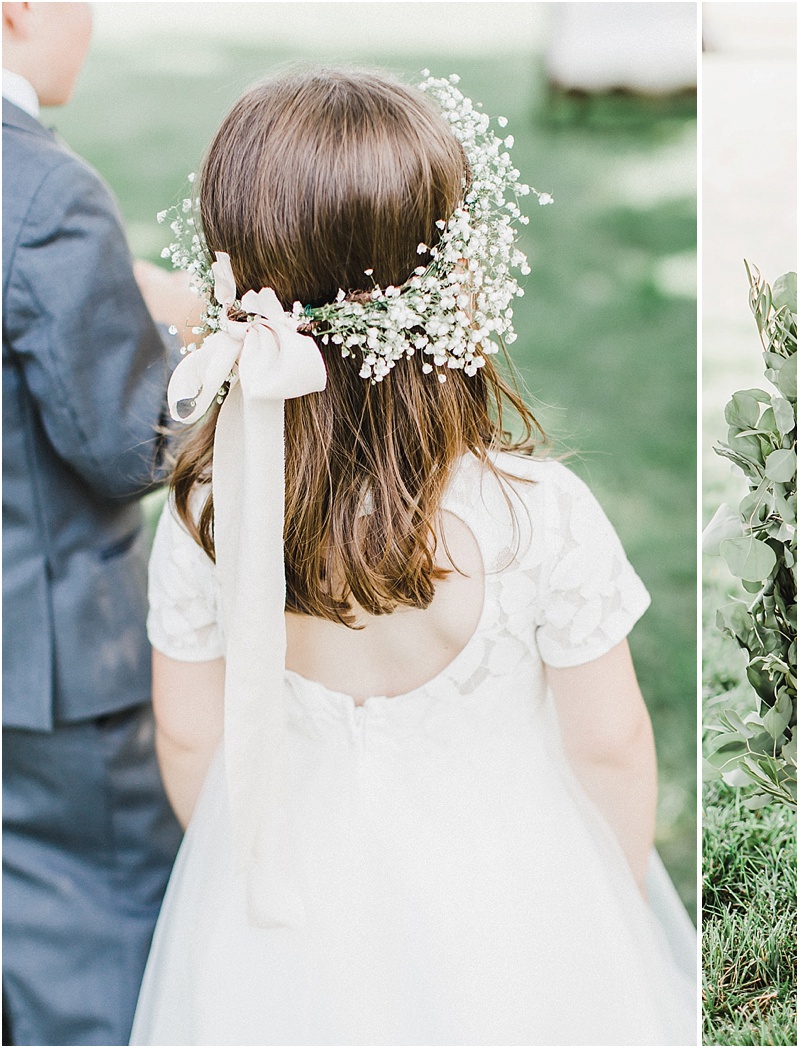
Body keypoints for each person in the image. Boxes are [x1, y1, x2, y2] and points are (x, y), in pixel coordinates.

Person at [128, 67, 695, 1045]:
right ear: (445, 287)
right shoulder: (534, 515)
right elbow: (607, 747)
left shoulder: (208, 510)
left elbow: (186, 737)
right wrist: (601, 899)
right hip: (512, 910)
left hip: (283, 911)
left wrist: (235, 858)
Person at [1, 4, 196, 1043]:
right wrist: (190, 338)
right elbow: (123, 441)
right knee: (99, 933)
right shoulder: (42, 190)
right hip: (51, 664)